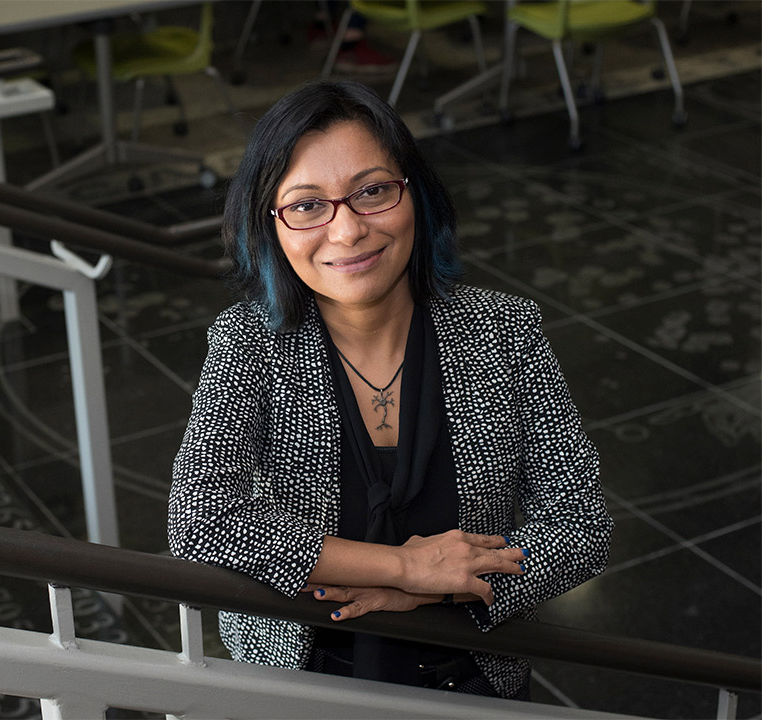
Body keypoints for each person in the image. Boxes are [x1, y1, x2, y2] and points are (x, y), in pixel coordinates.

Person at [168, 79, 613, 700]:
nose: (347, 231)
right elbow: (200, 521)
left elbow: (581, 524)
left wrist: (445, 585)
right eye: (306, 205)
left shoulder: (505, 330)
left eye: (372, 191)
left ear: (416, 195)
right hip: (301, 682)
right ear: (270, 226)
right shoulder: (248, 342)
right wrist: (404, 567)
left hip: (474, 673)